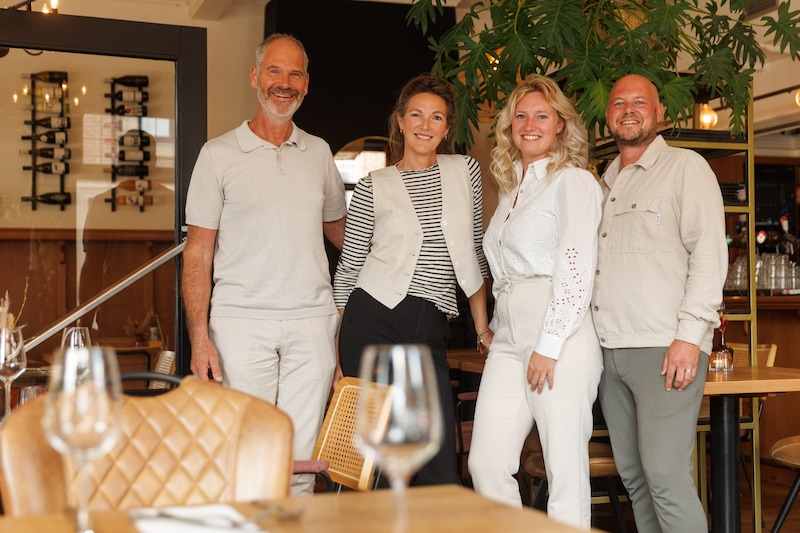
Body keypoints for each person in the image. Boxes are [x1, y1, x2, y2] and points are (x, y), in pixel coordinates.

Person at [182, 33, 347, 496]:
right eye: (275, 71)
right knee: (247, 462)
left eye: (295, 74)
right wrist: (200, 338)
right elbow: (198, 253)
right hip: (240, 325)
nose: (284, 83)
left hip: (312, 325)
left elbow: (344, 236)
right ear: (255, 77)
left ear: (307, 84)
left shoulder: (319, 152)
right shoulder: (217, 155)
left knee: (300, 466)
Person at [333, 74, 490, 486]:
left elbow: (474, 252)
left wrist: (482, 328)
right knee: (386, 463)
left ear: (447, 127)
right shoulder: (373, 186)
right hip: (373, 321)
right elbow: (349, 269)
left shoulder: (465, 170)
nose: (425, 125)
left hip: (430, 326)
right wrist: (335, 353)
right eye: (416, 115)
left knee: (438, 463)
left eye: (436, 117)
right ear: (400, 121)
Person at [592, 73, 727, 532]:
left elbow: (709, 255)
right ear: (608, 115)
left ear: (659, 114)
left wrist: (689, 338)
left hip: (665, 348)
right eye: (619, 103)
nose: (628, 110)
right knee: (635, 477)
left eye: (639, 102)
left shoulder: (686, 167)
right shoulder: (606, 180)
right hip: (610, 350)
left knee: (666, 476)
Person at [467, 74, 603, 529]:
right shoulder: (512, 190)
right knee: (486, 463)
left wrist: (549, 343)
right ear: (509, 126)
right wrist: (493, 329)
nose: (529, 125)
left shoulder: (573, 182)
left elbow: (576, 268)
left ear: (560, 124)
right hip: (509, 336)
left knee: (564, 470)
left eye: (541, 116)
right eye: (521, 116)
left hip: (559, 333)